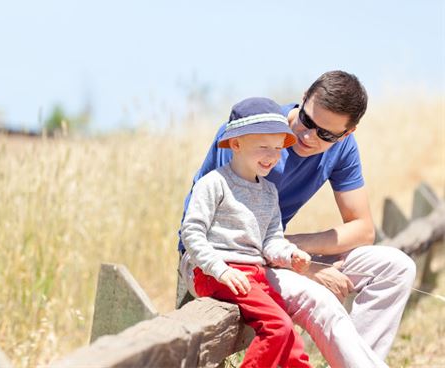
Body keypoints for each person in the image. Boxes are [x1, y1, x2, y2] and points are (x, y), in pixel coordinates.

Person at [177, 71, 416, 368]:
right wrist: (307, 271)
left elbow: (363, 229)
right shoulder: (254, 132)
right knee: (321, 300)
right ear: (303, 98)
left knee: (396, 267)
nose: (308, 136)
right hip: (227, 259)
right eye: (307, 120)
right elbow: (231, 235)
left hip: (276, 251)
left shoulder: (342, 149)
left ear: (347, 133)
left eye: (326, 134)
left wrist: (299, 257)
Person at [181, 97, 313, 368]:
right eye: (263, 146)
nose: (272, 155)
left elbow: (271, 240)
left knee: (291, 337)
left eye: (277, 148)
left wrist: (290, 255)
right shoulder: (214, 184)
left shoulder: (268, 192)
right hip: (216, 273)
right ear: (236, 144)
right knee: (277, 327)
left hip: (254, 275)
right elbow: (192, 232)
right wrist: (221, 270)